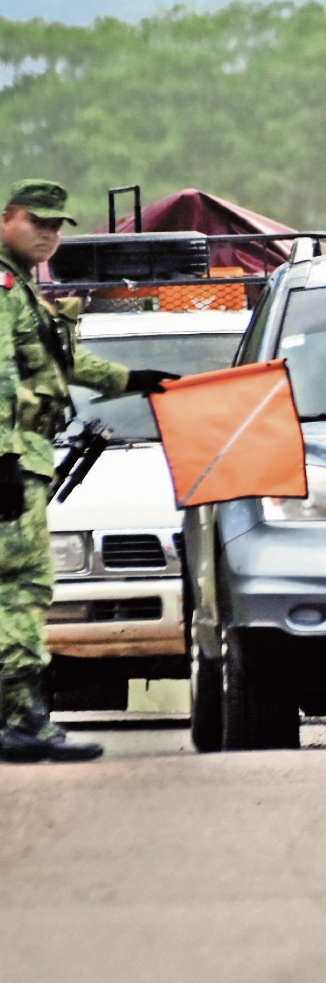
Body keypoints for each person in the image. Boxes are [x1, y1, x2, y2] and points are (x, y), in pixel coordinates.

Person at [0, 180, 177, 763]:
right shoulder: (2, 288)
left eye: (56, 226)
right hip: (12, 457)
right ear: (7, 220)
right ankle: (24, 723)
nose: (48, 234)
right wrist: (2, 457)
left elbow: (66, 363)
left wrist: (133, 380)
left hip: (26, 454)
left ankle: (21, 722)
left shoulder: (25, 289)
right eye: (37, 223)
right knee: (22, 592)